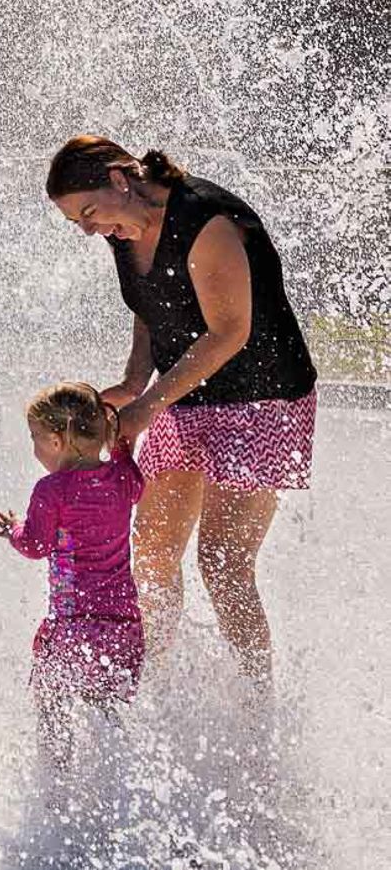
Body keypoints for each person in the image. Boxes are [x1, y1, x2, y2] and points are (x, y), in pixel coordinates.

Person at [45, 135, 317, 683]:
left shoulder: (206, 221)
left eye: (89, 213)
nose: (89, 230)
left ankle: (256, 698)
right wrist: (133, 380)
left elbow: (230, 332)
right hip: (184, 393)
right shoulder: (124, 229)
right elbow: (151, 305)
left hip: (260, 399)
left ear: (121, 178)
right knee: (152, 550)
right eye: (78, 222)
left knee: (223, 564)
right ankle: (156, 680)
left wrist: (146, 405)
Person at [0, 381, 145, 767]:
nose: (34, 447)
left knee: (51, 699)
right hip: (122, 626)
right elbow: (136, 481)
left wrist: (13, 530)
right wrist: (122, 446)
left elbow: (36, 545)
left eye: (36, 438)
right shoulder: (121, 479)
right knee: (105, 707)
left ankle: (56, 780)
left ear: (58, 441)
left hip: (72, 626)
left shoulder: (52, 489)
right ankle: (118, 780)